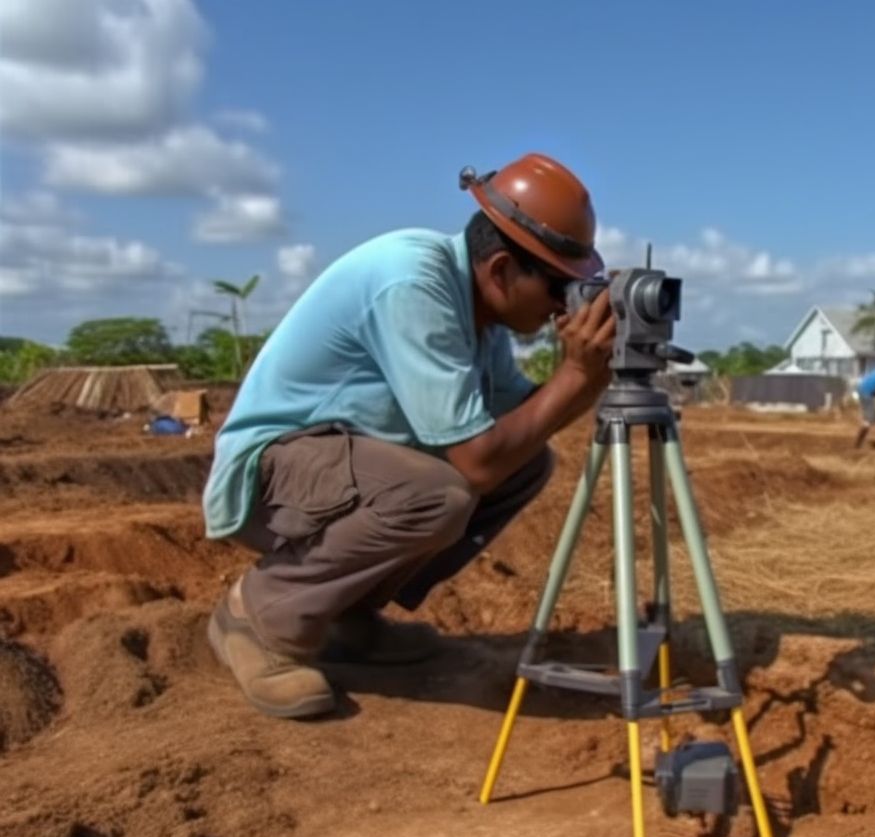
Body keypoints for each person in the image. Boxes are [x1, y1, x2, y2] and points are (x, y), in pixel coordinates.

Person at [201, 153, 614, 719]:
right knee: (441, 492)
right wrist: (575, 378)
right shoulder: (414, 282)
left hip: (341, 474)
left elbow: (519, 422)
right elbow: (476, 463)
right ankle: (259, 616)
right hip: (271, 476)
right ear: (499, 271)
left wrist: (590, 368)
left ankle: (345, 615)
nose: (559, 307)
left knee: (527, 463)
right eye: (558, 289)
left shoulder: (480, 315)